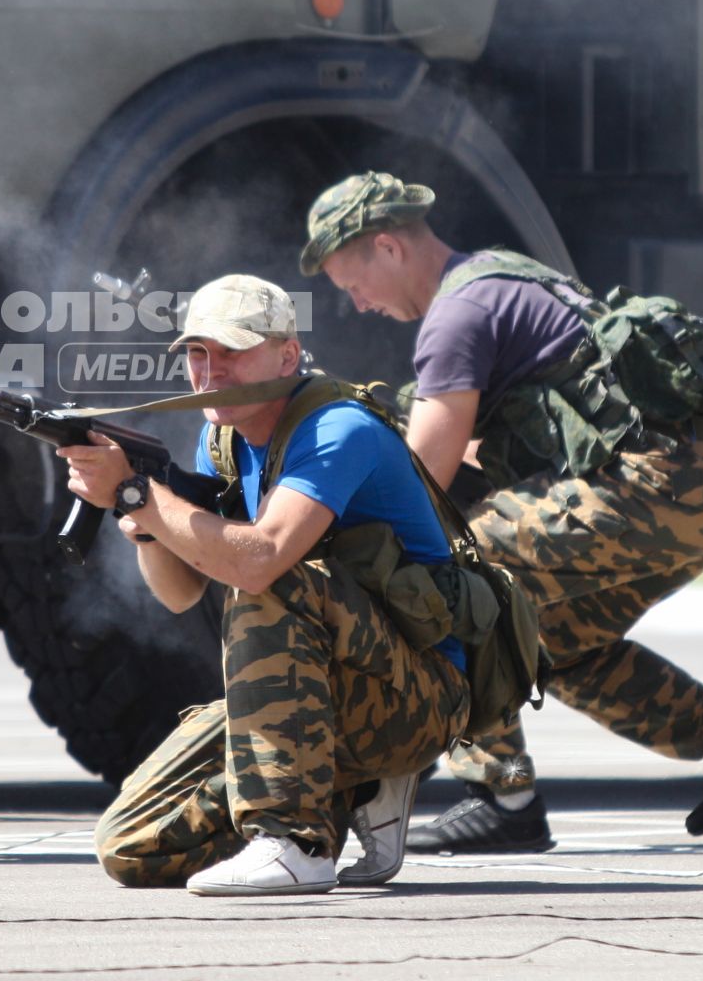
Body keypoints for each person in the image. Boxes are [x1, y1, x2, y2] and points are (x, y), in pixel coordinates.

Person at [302, 171, 703, 853]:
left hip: (652, 487)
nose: (356, 304)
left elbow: (417, 484)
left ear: (388, 249)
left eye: (351, 283)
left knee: (456, 575)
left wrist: (315, 532)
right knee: (547, 646)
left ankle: (500, 795)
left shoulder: (456, 317)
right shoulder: (504, 277)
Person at [61, 275, 471, 895]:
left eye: (232, 351)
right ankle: (343, 789)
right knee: (129, 846)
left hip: (417, 693)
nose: (212, 371)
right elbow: (180, 594)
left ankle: (294, 843)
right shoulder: (221, 439)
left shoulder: (338, 428)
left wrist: (136, 492)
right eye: (198, 354)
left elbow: (261, 561)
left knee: (271, 580)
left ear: (287, 354)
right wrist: (146, 519)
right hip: (324, 686)